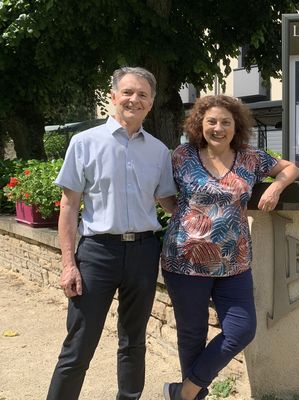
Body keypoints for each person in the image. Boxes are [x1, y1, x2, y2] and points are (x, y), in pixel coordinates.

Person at [47, 66, 177, 400]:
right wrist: (67, 264)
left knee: (134, 341)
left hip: (144, 253)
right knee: (79, 343)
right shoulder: (84, 143)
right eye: (129, 92)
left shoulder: (159, 151)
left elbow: (166, 201)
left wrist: (209, 211)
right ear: (113, 96)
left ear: (151, 103)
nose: (135, 99)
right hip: (97, 254)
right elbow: (68, 206)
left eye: (143, 95)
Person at [161, 94, 299, 400]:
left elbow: (290, 169)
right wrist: (184, 215)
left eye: (226, 122)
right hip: (185, 262)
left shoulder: (251, 157)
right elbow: (162, 192)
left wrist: (276, 187)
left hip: (234, 264)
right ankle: (194, 396)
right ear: (200, 124)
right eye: (211, 121)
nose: (218, 128)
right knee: (191, 336)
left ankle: (182, 393)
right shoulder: (182, 156)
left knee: (241, 330)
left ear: (237, 126)